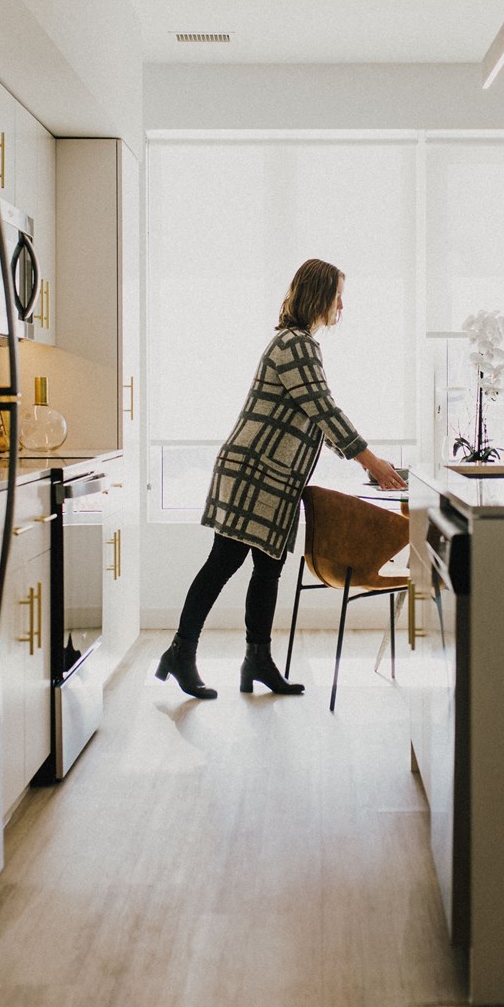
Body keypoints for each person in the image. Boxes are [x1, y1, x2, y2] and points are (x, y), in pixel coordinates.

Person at [156, 258, 407, 700]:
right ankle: (181, 653)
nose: (342, 307)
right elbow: (324, 409)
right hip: (255, 473)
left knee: (267, 568)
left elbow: (315, 418)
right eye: (338, 296)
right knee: (224, 562)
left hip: (269, 476)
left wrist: (364, 461)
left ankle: (257, 660)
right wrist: (371, 461)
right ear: (319, 296)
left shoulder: (297, 343)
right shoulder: (296, 345)